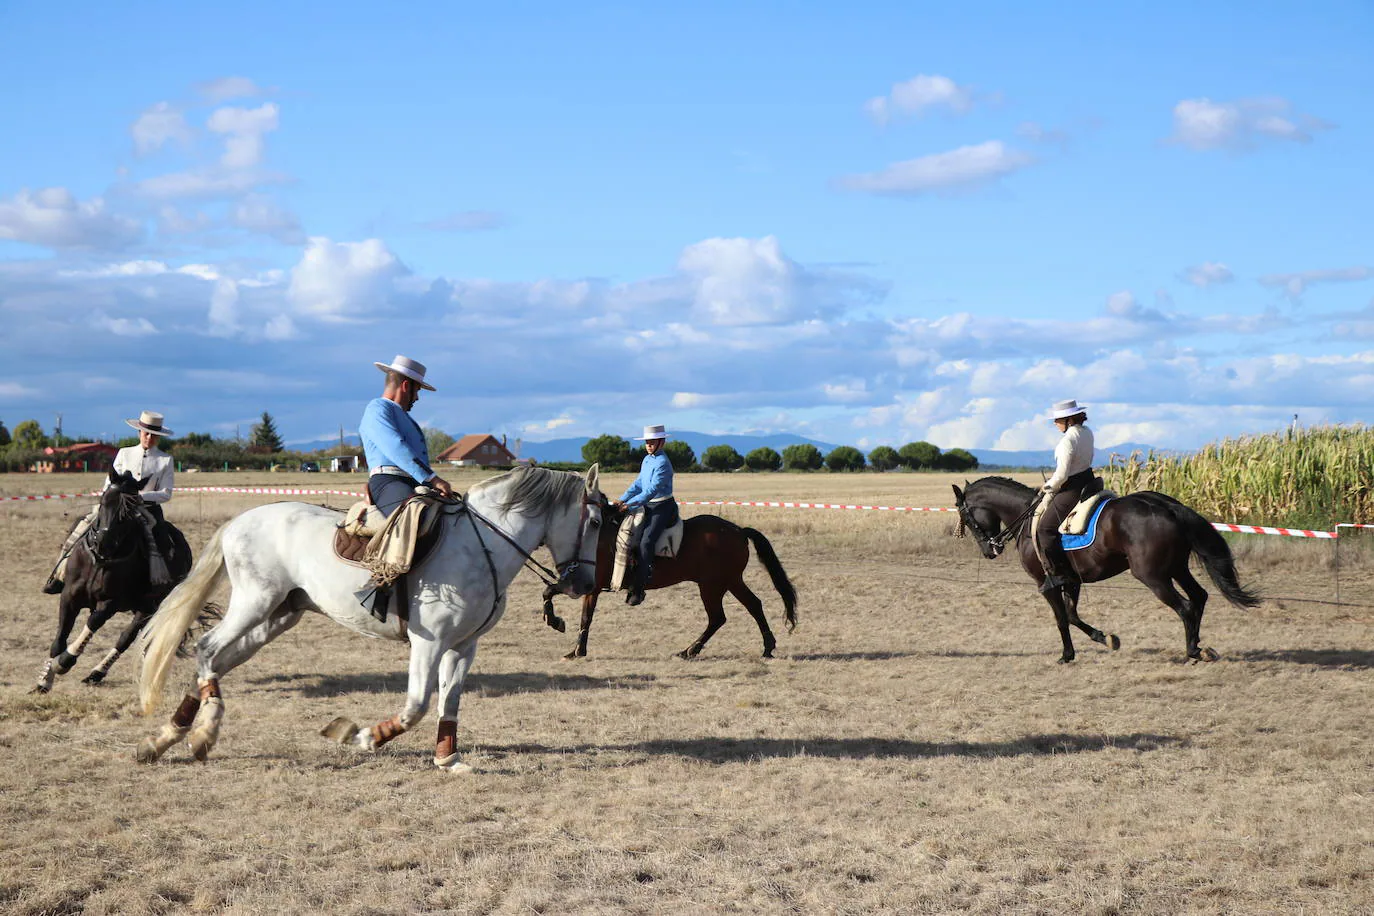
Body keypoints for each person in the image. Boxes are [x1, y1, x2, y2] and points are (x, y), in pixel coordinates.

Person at [43, 410, 175, 594]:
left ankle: (163, 583)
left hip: (148, 510)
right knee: (80, 527)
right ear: (140, 433)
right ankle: (59, 575)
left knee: (164, 541)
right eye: (147, 433)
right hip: (116, 507)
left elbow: (166, 493)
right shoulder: (124, 453)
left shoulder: (165, 460)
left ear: (159, 438)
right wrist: (113, 498)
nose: (149, 438)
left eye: (154, 435)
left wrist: (140, 498)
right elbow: (109, 482)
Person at [359, 355, 453, 517]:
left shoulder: (401, 415)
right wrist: (433, 479)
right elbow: (395, 446)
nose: (417, 397)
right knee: (412, 517)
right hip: (389, 481)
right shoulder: (377, 408)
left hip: (416, 481)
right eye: (416, 391)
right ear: (405, 386)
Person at [611, 424, 678, 606]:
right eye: (647, 442)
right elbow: (639, 483)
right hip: (646, 505)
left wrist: (629, 504)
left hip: (662, 507)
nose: (648, 445)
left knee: (646, 542)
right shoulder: (647, 460)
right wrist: (621, 499)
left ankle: (640, 587)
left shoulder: (663, 463)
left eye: (652, 442)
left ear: (661, 442)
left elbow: (650, 490)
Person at [1034, 399, 1095, 596]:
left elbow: (1061, 476)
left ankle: (1058, 573)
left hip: (1072, 488)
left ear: (1068, 419)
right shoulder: (1087, 433)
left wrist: (1047, 486)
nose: (1055, 423)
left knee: (1045, 528)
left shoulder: (1067, 440)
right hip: (1089, 482)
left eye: (1057, 420)